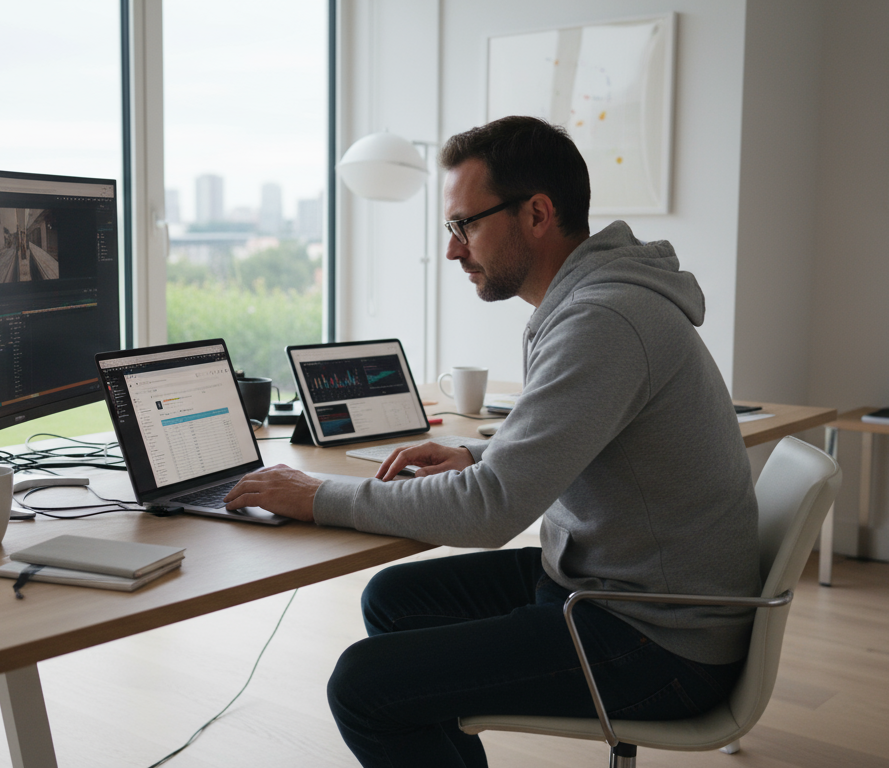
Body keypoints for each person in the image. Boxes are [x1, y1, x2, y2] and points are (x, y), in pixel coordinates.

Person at [223, 115, 759, 768]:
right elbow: (579, 441)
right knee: (393, 599)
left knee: (364, 686)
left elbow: (490, 511)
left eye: (465, 225)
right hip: (623, 591)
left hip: (655, 641)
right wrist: (479, 453)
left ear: (537, 213)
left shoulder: (602, 320)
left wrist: (319, 496)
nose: (453, 251)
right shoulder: (595, 301)